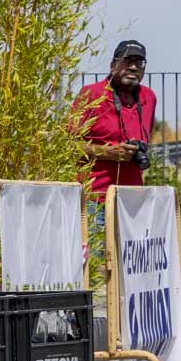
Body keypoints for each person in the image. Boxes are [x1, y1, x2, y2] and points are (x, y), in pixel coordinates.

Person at [72, 39, 158, 272]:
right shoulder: (92, 95)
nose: (133, 68)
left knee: (130, 266)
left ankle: (122, 309)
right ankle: (84, 308)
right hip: (95, 199)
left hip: (132, 201)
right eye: (127, 61)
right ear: (113, 66)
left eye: (139, 63)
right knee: (92, 267)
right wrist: (108, 153)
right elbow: (67, 146)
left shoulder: (149, 97)